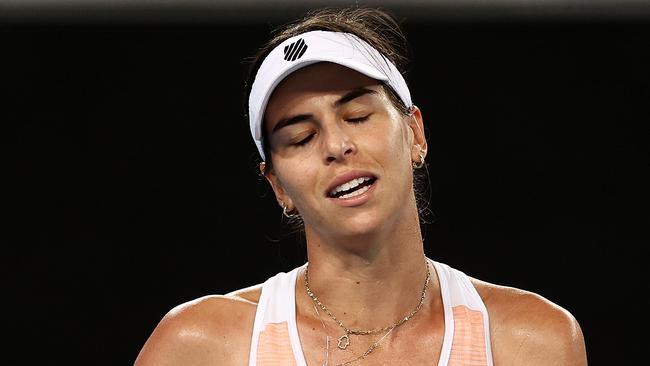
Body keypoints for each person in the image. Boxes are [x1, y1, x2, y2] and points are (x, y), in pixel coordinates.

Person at [134, 6, 587, 366]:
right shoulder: (200, 347)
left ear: (415, 134)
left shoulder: (531, 341)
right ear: (279, 188)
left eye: (357, 116)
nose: (337, 145)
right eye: (301, 137)